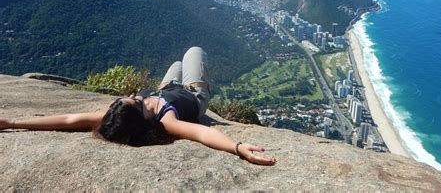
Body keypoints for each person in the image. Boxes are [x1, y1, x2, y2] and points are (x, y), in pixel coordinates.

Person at [0, 47, 276, 166]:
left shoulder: (121, 116)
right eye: (138, 101)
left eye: (130, 96)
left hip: (167, 88)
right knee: (193, 52)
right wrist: (238, 148)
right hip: (192, 95)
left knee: (176, 66)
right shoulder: (167, 121)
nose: (136, 94)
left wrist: (11, 123)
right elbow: (203, 134)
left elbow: (72, 119)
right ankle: (198, 84)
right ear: (145, 118)